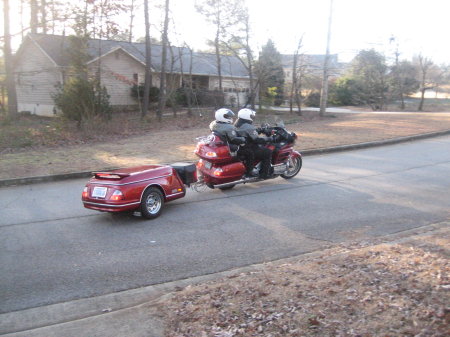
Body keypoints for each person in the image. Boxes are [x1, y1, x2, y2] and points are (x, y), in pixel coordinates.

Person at [234, 108, 273, 179]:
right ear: (246, 116)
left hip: (240, 147)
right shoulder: (248, 126)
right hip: (249, 147)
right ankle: (264, 174)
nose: (252, 118)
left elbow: (248, 133)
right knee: (268, 152)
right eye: (251, 116)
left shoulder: (237, 123)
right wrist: (269, 139)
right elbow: (257, 139)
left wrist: (259, 130)